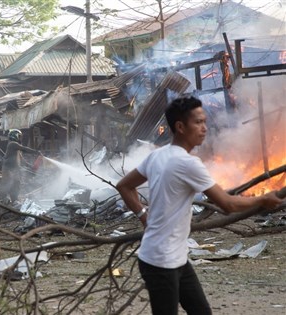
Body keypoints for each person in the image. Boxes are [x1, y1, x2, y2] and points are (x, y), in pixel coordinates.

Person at [116, 96, 283, 315]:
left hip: (175, 257)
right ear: (180, 127)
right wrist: (262, 199)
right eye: (198, 122)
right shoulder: (188, 163)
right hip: (161, 261)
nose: (205, 128)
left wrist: (143, 215)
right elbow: (227, 204)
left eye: (205, 121)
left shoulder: (157, 155)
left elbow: (124, 186)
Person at [0, 129, 41, 203]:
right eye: (19, 136)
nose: (20, 138)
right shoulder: (12, 144)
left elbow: (22, 160)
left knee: (16, 185)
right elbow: (24, 148)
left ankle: (14, 200)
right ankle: (1, 200)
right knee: (7, 184)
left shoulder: (16, 149)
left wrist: (30, 166)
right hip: (8, 169)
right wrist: (36, 152)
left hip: (14, 170)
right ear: (15, 136)